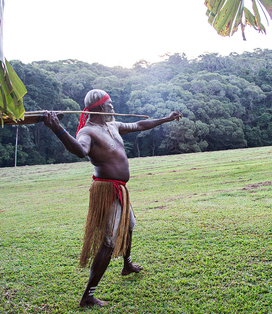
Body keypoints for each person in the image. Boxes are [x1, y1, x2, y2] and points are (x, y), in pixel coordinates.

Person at [43, 89, 182, 307]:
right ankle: (88, 296)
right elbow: (80, 151)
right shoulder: (87, 132)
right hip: (107, 191)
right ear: (99, 107)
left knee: (128, 226)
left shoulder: (112, 126)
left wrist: (166, 118)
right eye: (110, 105)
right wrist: (58, 129)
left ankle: (126, 265)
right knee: (108, 242)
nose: (113, 108)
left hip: (121, 189)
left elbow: (140, 125)